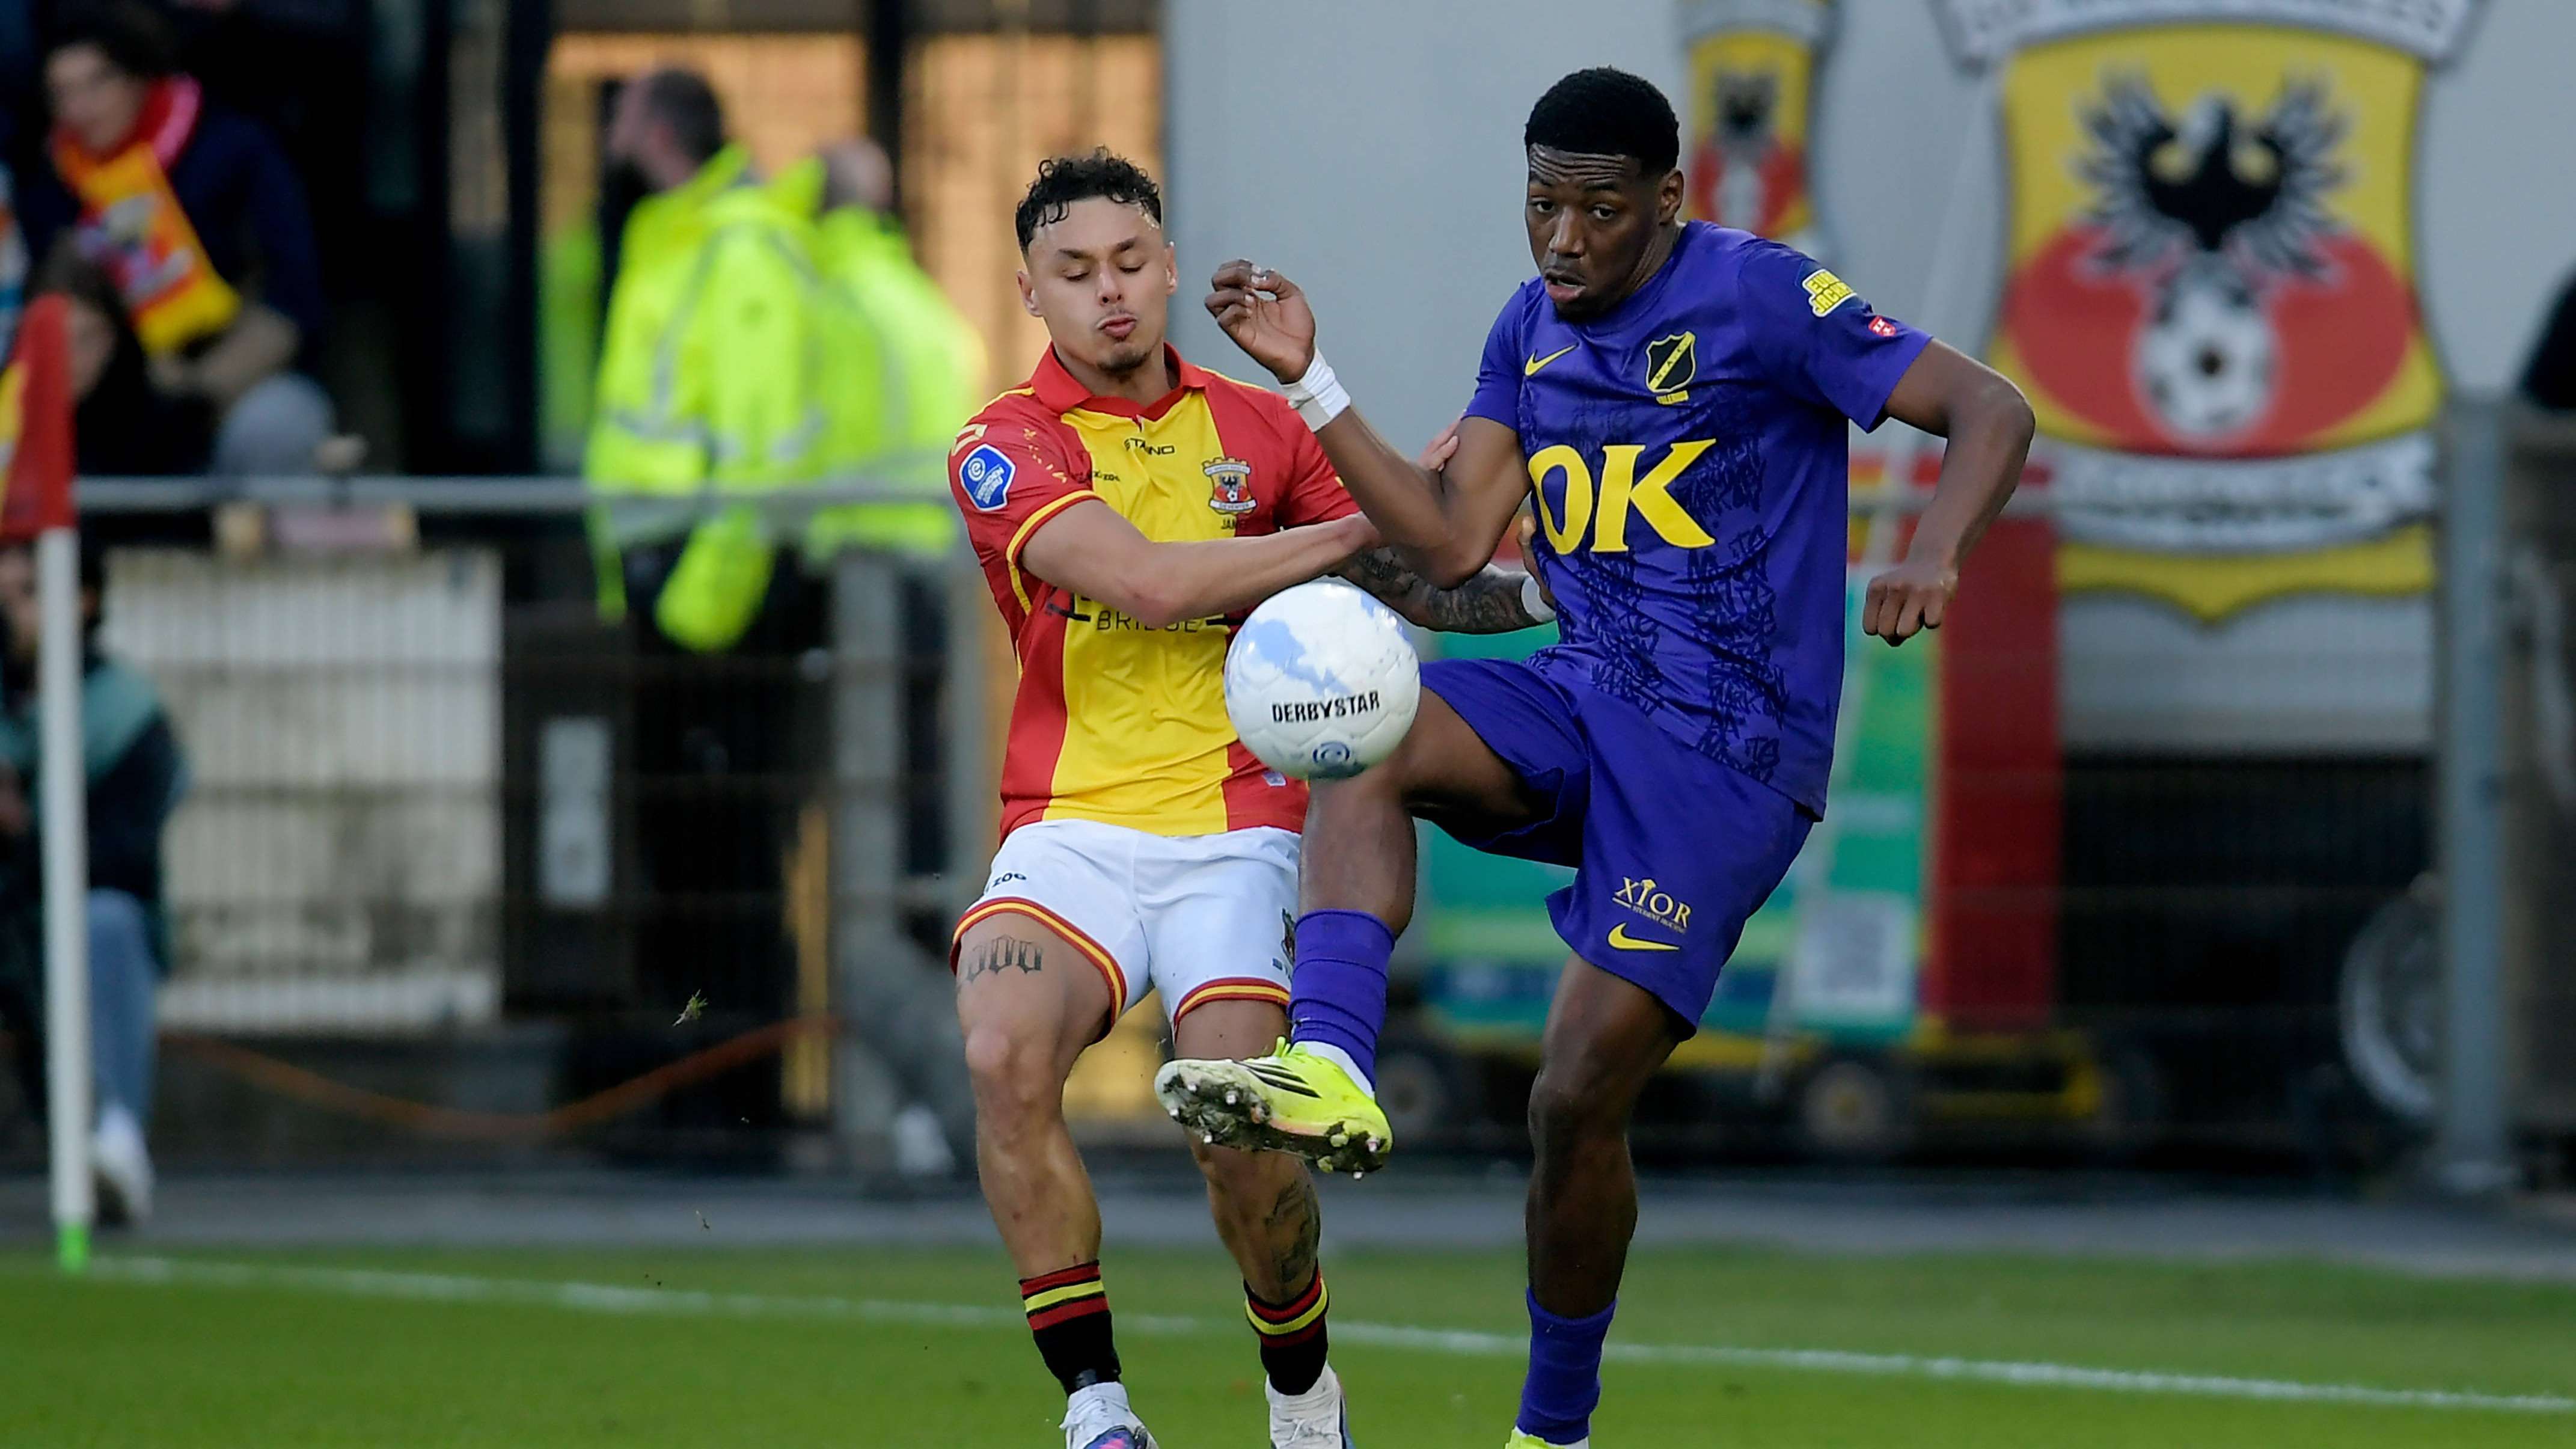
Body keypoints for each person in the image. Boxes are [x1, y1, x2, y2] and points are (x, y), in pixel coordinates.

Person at [1157, 68, 2034, 1449]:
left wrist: (1932, 549)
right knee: (1363, 730)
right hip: (1582, 692)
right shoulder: (1529, 327)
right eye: (1542, 205)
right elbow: (1454, 543)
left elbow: (1990, 406)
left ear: (1667, 200)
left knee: (1570, 1097)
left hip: (1728, 753)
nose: (1563, 240)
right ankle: (1328, 1061)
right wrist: (1311, 384)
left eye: (1600, 211)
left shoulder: (1759, 298)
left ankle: (1551, 1430)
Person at [949, 151, 1543, 1449]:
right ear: (1030, 293)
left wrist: (1543, 585)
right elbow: (1153, 583)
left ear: (1168, 268)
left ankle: (1301, 1394)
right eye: (1073, 271)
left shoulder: (1263, 428)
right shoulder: (1003, 444)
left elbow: (1427, 586)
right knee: (1000, 1052)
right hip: (1070, 825)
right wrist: (1379, 521)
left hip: (1242, 830)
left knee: (1242, 1132)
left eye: (1129, 262)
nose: (1108, 291)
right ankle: (1098, 1406)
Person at [583, 67, 831, 1024]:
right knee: (689, 857)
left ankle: (735, 1077)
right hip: (677, 588)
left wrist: (698, 611)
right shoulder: (678, 240)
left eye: (622, 114)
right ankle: (703, 1068)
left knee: (727, 861)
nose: (606, 133)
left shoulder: (737, 250)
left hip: (710, 597)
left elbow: (757, 453)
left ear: (656, 131)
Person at [24, 2, 332, 476]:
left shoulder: (233, 150)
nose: (78, 110)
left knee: (276, 425)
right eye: (61, 93)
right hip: (104, 398)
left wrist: (199, 392)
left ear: (139, 78)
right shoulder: (53, 176)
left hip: (229, 382)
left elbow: (292, 300)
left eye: (96, 84)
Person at [0, 537, 188, 1225]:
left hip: (66, 922)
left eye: (27, 593)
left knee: (105, 920)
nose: (10, 611)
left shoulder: (127, 715)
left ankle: (115, 1136)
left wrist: (26, 830)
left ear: (82, 601)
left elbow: (125, 853)